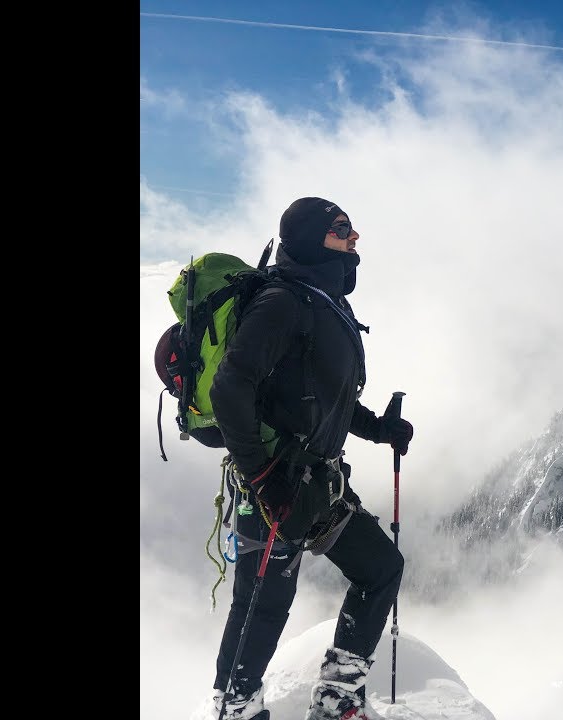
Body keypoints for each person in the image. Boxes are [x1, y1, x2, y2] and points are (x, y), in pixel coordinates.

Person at [209, 197, 414, 720]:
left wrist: (379, 429)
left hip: (315, 486)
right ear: (307, 237)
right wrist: (262, 476)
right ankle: (236, 708)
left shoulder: (324, 303)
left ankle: (337, 698)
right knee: (263, 606)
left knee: (381, 567)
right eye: (340, 228)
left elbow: (326, 400)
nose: (354, 237)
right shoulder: (281, 303)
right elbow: (229, 389)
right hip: (272, 487)